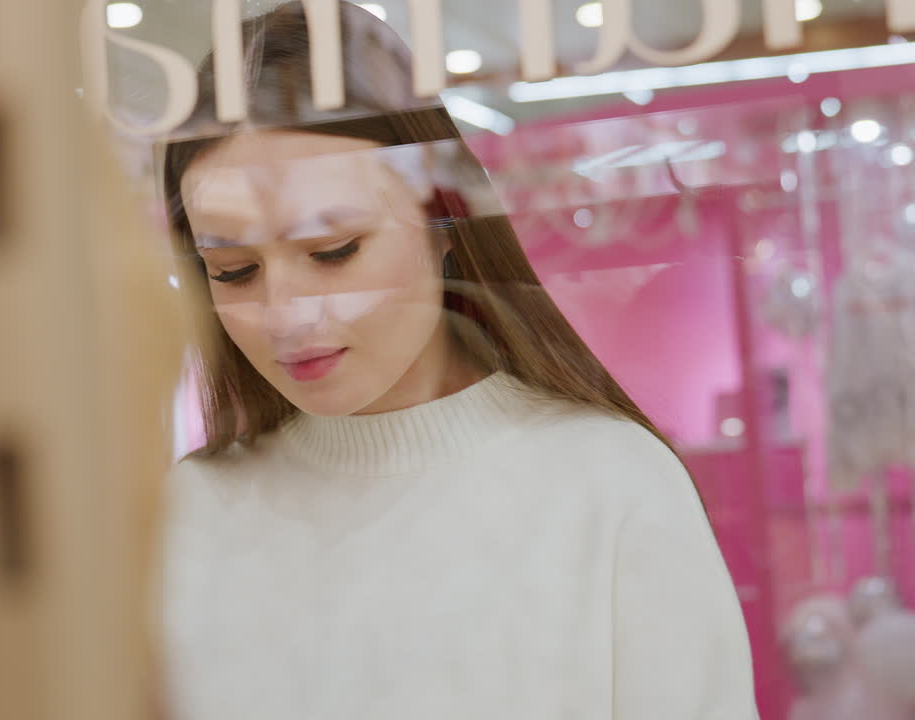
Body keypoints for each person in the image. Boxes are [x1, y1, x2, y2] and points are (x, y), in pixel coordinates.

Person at [156, 2, 758, 718]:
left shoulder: (608, 486)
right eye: (232, 271)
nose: (287, 314)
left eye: (334, 252)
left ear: (442, 226)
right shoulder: (188, 517)